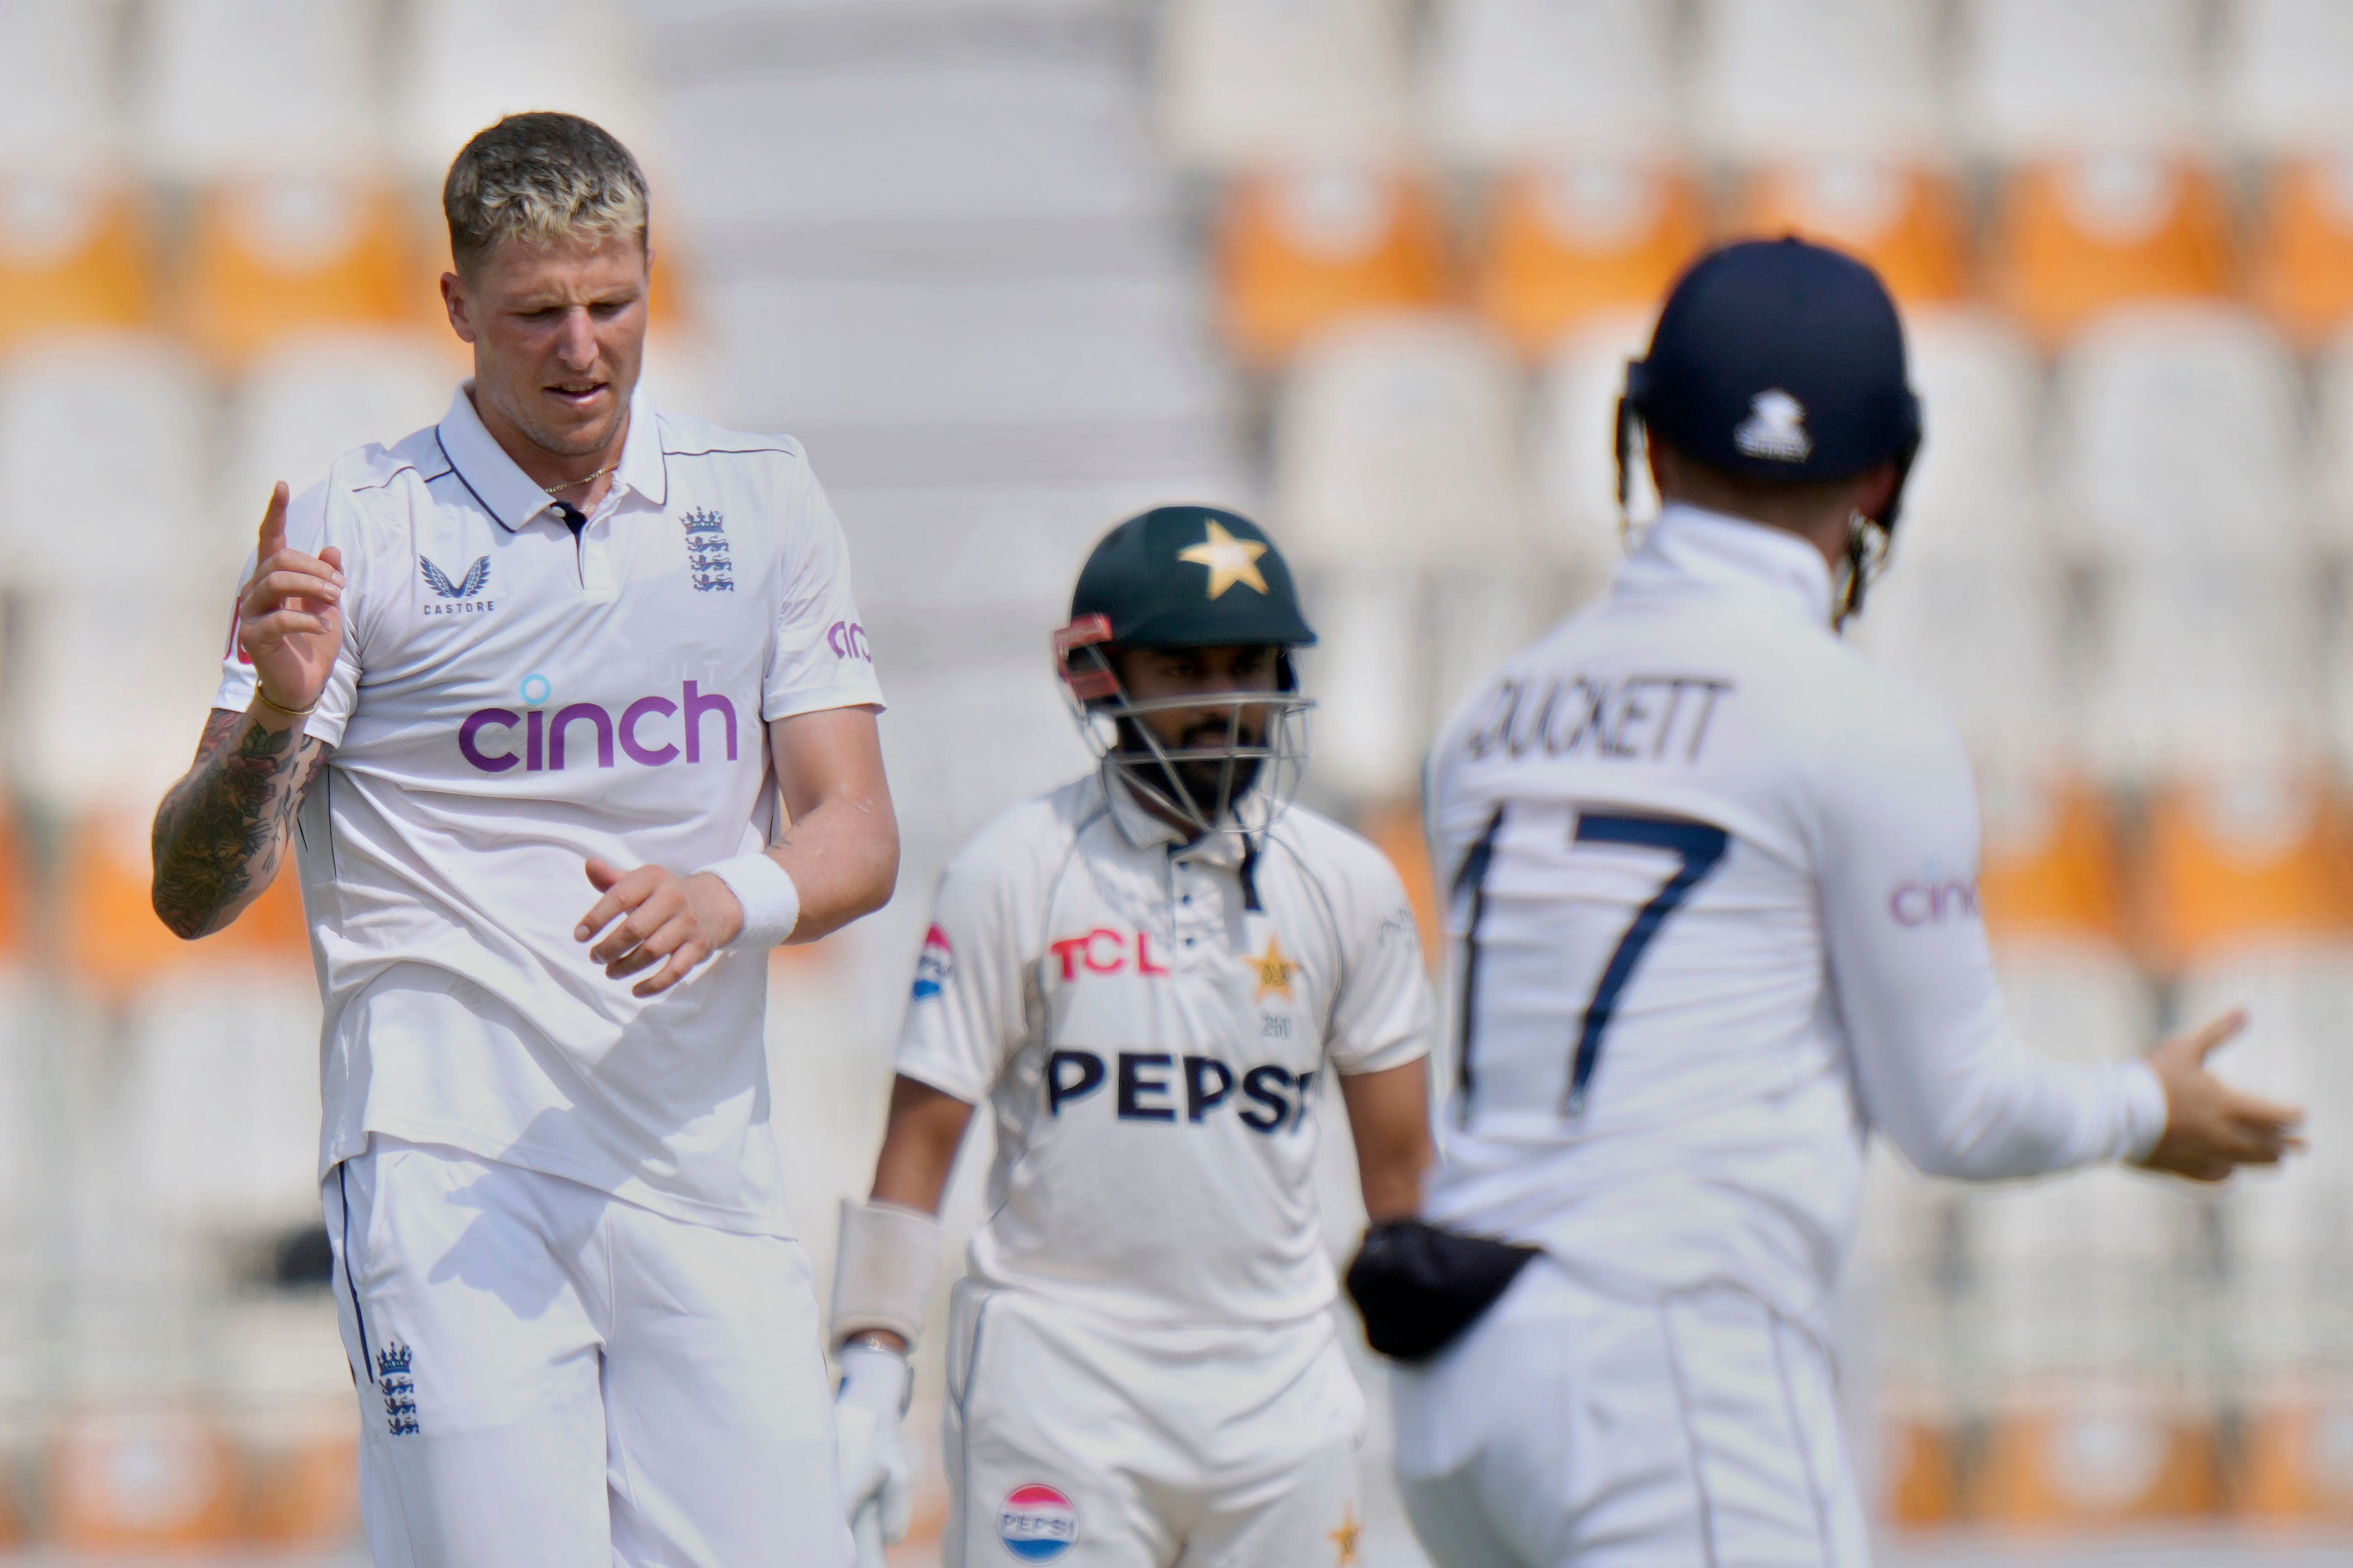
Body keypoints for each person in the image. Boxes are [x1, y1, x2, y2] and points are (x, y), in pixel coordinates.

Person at [1361, 238, 2305, 1567]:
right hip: (1666, 1356)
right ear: (1883, 475)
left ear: (1645, 442)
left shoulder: (1493, 718)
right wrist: (2146, 1105)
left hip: (1456, 1380)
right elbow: (1956, 1112)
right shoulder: (1857, 719)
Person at [148, 112, 895, 1568]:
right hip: (451, 1176)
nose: (582, 349)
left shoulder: (761, 494)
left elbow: (855, 828)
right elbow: (193, 890)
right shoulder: (357, 525)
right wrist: (273, 718)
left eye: (613, 303)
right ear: (457, 306)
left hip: (702, 1171)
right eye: (538, 312)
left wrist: (727, 897)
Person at [826, 505, 1435, 1567]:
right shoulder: (1013, 868)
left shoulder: (1350, 885)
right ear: (1101, 678)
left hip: (1279, 1392)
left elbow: (1403, 1176)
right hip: (1057, 1389)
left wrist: (1444, 1366)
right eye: (1184, 669)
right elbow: (919, 1144)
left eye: (1247, 666)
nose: (1223, 703)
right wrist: (870, 1373)